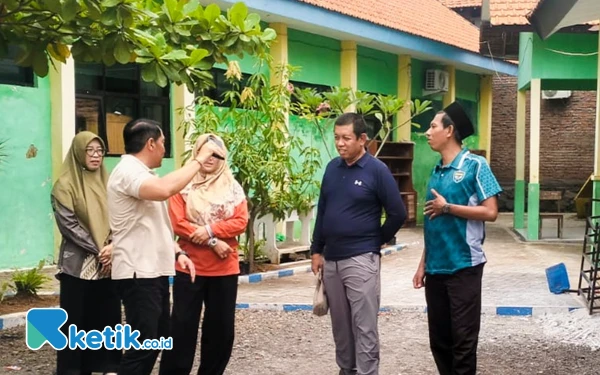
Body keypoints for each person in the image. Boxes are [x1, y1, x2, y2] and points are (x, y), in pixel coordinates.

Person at [107, 118, 223, 375]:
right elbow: (164, 190)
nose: (164, 149)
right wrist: (198, 160)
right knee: (143, 347)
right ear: (150, 143)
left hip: (154, 272)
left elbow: (153, 226)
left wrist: (178, 252)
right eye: (162, 144)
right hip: (138, 274)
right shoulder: (127, 172)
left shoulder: (144, 175)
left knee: (155, 342)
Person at [310, 113, 407, 375]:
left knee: (364, 325)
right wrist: (316, 250)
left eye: (346, 138)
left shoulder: (377, 171)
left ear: (362, 139)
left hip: (361, 260)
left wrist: (375, 240)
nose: (340, 143)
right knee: (340, 326)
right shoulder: (332, 168)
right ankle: (346, 370)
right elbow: (323, 211)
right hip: (332, 260)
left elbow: (398, 213)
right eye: (337, 138)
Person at [412, 101, 502, 375]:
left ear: (449, 131)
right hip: (436, 267)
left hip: (465, 266)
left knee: (463, 341)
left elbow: (491, 212)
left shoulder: (476, 165)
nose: (427, 132)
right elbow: (432, 222)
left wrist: (449, 207)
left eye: (433, 126)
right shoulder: (436, 171)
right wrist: (422, 264)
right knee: (439, 341)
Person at [159, 134, 248, 375]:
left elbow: (241, 221)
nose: (210, 159)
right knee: (181, 326)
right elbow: (178, 223)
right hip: (189, 266)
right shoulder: (183, 186)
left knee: (221, 329)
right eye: (204, 152)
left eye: (215, 154)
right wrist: (213, 241)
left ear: (224, 157)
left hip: (224, 268)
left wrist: (209, 229)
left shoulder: (233, 188)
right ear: (196, 154)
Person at [51, 131, 120, 375]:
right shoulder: (64, 185)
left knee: (107, 317)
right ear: (79, 152)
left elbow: (120, 217)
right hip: (78, 265)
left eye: (100, 151)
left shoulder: (108, 181)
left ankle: (108, 366)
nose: (96, 156)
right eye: (89, 150)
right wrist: (99, 249)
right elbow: (69, 226)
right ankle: (73, 369)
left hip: (108, 262)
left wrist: (112, 246)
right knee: (75, 321)